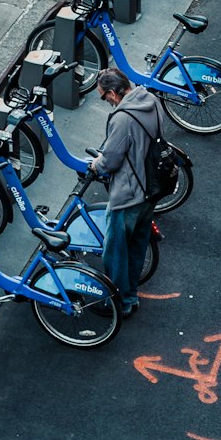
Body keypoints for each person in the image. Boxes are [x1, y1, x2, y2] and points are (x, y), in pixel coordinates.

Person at [91, 68, 166, 318]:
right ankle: (131, 295)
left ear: (113, 93)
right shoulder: (151, 100)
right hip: (153, 186)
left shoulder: (122, 118)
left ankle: (119, 303)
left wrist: (95, 164)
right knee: (137, 245)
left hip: (130, 193)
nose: (106, 102)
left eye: (104, 97)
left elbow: (110, 161)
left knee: (115, 252)